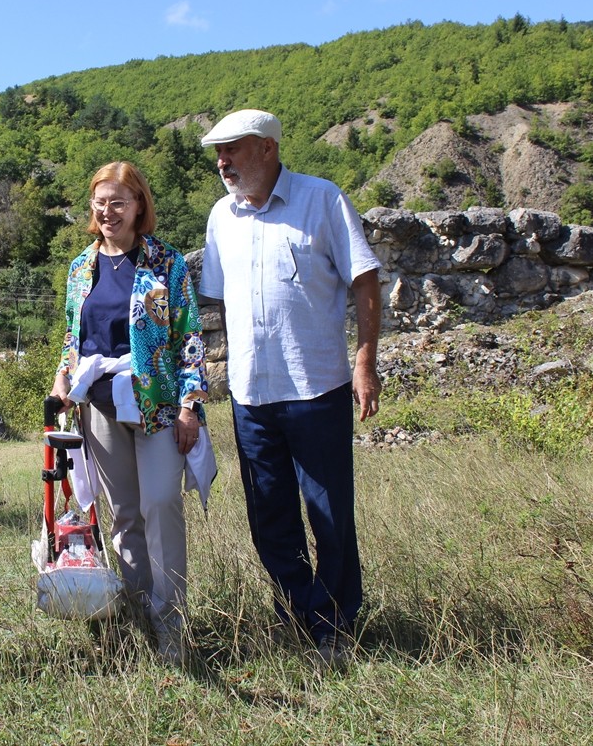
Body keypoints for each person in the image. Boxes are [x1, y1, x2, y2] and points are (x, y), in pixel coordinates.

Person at [197, 109, 382, 670]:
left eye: (233, 150)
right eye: (218, 153)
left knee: (329, 514)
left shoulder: (322, 200)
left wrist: (366, 359)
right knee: (268, 518)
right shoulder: (220, 218)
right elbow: (215, 301)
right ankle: (310, 616)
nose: (222, 162)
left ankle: (336, 626)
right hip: (251, 395)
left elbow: (365, 279)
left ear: (268, 148)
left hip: (317, 387)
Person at [49, 161, 209, 667]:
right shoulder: (81, 267)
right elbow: (75, 337)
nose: (107, 211)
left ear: (140, 205)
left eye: (119, 202)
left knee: (161, 503)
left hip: (157, 405)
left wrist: (190, 406)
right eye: (100, 201)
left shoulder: (167, 263)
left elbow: (189, 339)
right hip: (98, 405)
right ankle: (140, 610)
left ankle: (171, 624)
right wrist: (62, 380)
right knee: (123, 516)